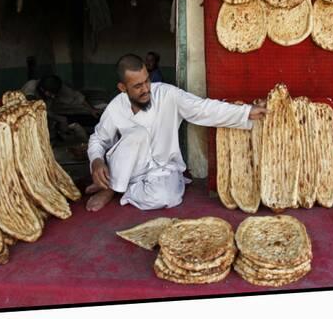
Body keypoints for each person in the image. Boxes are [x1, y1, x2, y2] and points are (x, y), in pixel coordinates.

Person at [85, 54, 267, 212]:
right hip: (130, 168)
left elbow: (203, 109)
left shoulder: (167, 94)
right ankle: (109, 188)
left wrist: (245, 112)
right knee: (137, 134)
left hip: (161, 169)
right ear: (123, 88)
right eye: (138, 86)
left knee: (167, 198)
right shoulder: (116, 107)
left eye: (147, 80)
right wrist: (96, 161)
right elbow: (98, 139)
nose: (147, 89)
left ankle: (119, 186)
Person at [21, 75, 100, 140]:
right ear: (42, 89)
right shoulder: (31, 88)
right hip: (25, 116)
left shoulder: (57, 87)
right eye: (51, 94)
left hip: (45, 114)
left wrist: (92, 110)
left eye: (55, 94)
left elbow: (76, 96)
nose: (53, 96)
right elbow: (33, 108)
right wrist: (59, 118)